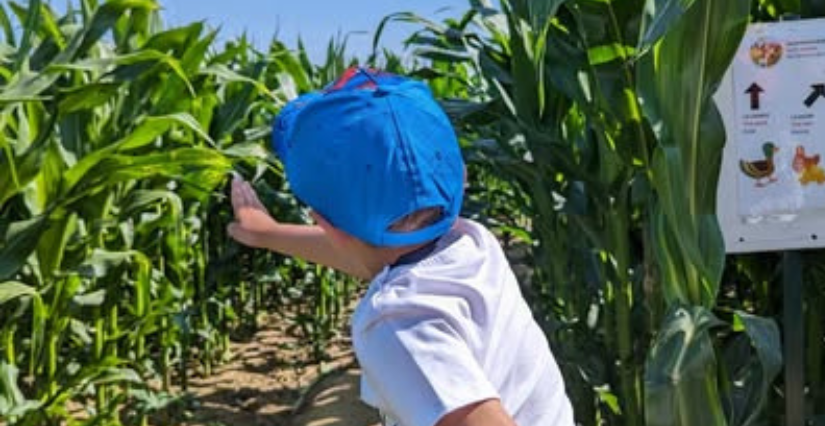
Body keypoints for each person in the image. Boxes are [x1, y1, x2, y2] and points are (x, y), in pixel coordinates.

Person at [227, 67, 574, 426]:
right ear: (461, 180)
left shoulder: (398, 324)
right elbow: (371, 259)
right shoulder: (470, 242)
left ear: (324, 222)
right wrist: (267, 233)